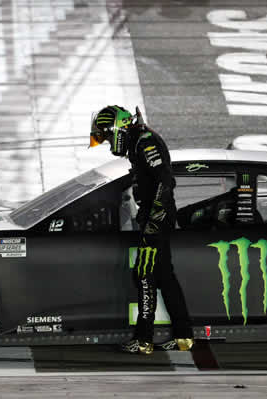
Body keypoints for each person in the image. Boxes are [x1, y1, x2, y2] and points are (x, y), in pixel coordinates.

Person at [88, 105, 193, 355]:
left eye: (106, 136)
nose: (107, 143)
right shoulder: (138, 142)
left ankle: (143, 340)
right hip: (156, 214)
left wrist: (155, 217)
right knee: (165, 276)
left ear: (118, 129)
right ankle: (184, 337)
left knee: (144, 273)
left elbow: (164, 181)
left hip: (157, 216)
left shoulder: (145, 143)